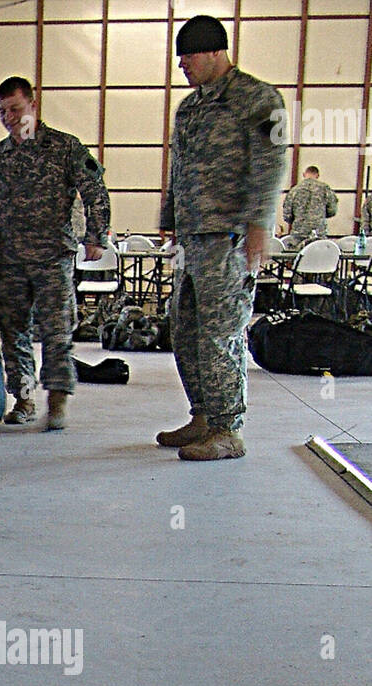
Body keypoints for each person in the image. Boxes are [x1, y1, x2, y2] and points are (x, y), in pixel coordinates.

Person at [157, 15, 286, 461]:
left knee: (221, 334)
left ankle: (228, 429)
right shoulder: (189, 108)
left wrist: (258, 228)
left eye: (188, 57)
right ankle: (203, 417)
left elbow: (270, 167)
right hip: (193, 239)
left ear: (215, 51)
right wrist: (169, 218)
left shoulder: (259, 99)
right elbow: (178, 165)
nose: (183, 66)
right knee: (186, 329)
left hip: (230, 237)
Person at [0, 75, 111, 431]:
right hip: (10, 260)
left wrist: (96, 235)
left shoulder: (65, 148)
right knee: (13, 331)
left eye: (16, 109)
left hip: (53, 257)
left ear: (33, 105)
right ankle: (23, 397)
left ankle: (57, 398)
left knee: (57, 332)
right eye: (3, 111)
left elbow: (94, 189)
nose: (9, 117)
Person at [282, 166, 338, 248]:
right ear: (318, 175)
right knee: (319, 257)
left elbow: (287, 215)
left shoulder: (294, 190)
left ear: (304, 174)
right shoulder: (325, 189)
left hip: (299, 232)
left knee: (297, 258)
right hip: (319, 232)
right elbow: (332, 211)